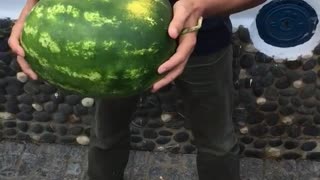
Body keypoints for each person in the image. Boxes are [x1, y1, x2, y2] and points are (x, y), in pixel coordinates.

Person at [9, 0, 266, 179]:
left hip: (206, 43)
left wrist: (198, 6)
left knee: (217, 141)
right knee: (106, 135)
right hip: (113, 48)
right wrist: (35, 5)